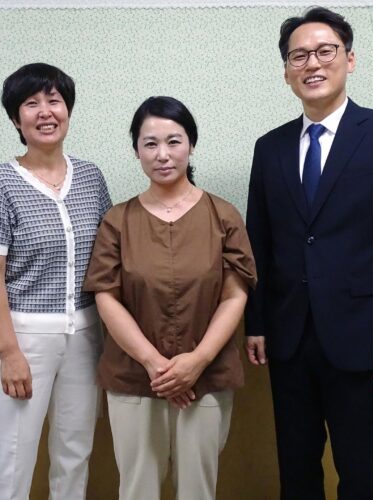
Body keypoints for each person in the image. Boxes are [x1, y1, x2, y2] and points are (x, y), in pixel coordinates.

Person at [245, 7, 373, 500]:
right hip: (288, 338)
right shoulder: (270, 148)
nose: (312, 63)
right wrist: (257, 323)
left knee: (361, 473)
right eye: (298, 56)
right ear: (286, 71)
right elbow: (259, 243)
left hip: (362, 338)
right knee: (297, 472)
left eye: (325, 51)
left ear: (350, 59)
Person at [84, 96, 256, 500]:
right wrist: (155, 364)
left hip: (207, 377)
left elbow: (235, 295)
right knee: (137, 489)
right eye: (150, 143)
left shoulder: (223, 216)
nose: (162, 154)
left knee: (198, 489)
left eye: (174, 141)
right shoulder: (118, 220)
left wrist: (196, 361)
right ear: (136, 151)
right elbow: (106, 298)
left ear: (191, 145)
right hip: (133, 376)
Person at [0, 62, 111, 500]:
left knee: (75, 453)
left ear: (68, 109)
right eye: (31, 104)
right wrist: (9, 353)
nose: (45, 111)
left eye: (54, 100)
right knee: (13, 458)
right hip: (22, 337)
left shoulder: (90, 177)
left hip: (86, 335)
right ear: (16, 119)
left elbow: (108, 259)